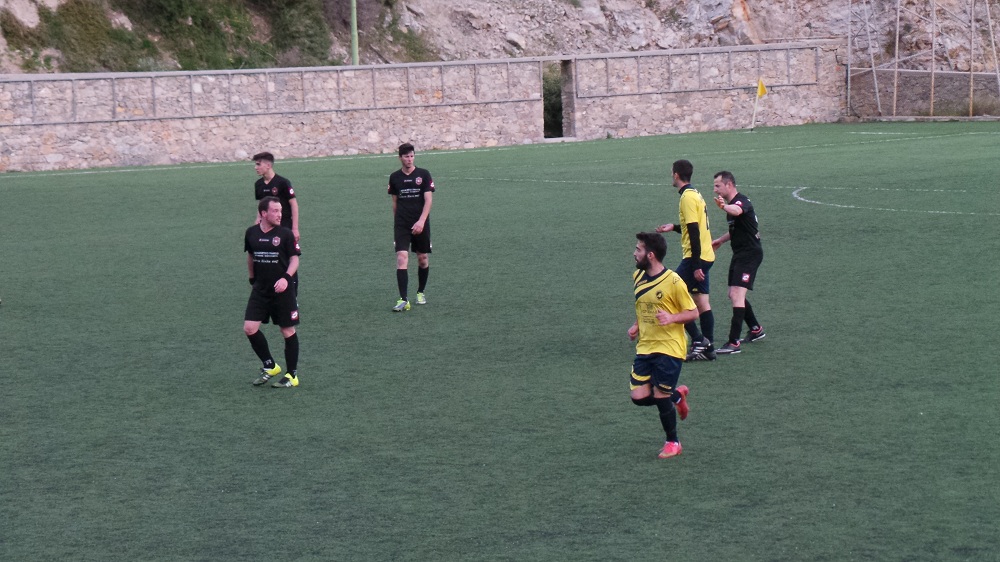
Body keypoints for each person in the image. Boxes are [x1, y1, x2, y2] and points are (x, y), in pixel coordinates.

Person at [628, 232, 699, 459]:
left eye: (638, 250)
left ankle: (673, 442)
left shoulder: (674, 282)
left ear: (650, 255)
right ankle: (676, 396)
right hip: (645, 346)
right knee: (638, 397)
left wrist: (672, 318)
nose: (634, 253)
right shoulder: (638, 277)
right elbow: (643, 305)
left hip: (670, 347)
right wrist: (636, 325)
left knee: (660, 396)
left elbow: (693, 312)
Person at [655, 159, 717, 361]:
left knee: (671, 294)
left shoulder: (687, 198)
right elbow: (693, 227)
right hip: (706, 255)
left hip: (695, 258)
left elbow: (694, 231)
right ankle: (708, 349)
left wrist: (696, 265)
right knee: (701, 301)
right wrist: (673, 227)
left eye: (671, 172)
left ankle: (699, 340)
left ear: (676, 175)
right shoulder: (695, 194)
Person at [245, 196, 302, 388]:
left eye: (280, 211)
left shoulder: (285, 234)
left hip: (283, 291)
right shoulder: (251, 233)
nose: (280, 214)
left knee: (287, 330)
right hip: (260, 289)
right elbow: (251, 256)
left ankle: (292, 375)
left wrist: (286, 278)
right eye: (275, 211)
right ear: (263, 213)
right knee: (250, 328)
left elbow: (295, 259)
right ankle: (270, 365)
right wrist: (252, 278)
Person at [710, 171, 766, 354]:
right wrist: (720, 240)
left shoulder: (741, 201)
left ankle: (733, 343)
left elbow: (738, 210)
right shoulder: (732, 206)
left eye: (718, 185)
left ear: (729, 185)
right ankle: (756, 329)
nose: (715, 190)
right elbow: (736, 229)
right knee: (733, 294)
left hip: (750, 254)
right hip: (740, 253)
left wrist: (724, 207)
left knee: (736, 294)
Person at [387, 142, 434, 312]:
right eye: (406, 156)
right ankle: (403, 299)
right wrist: (398, 223)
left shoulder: (423, 174)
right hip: (402, 224)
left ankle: (420, 292)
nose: (409, 159)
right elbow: (395, 203)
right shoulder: (394, 177)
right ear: (400, 158)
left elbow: (428, 200)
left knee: (422, 259)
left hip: (420, 222)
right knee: (401, 257)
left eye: (412, 156)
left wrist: (421, 221)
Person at [253, 152, 300, 242]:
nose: (255, 167)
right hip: (267, 226)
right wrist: (258, 219)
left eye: (258, 164)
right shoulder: (258, 184)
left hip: (284, 224)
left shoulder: (283, 182)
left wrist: (295, 228)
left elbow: (294, 204)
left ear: (268, 165)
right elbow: (261, 204)